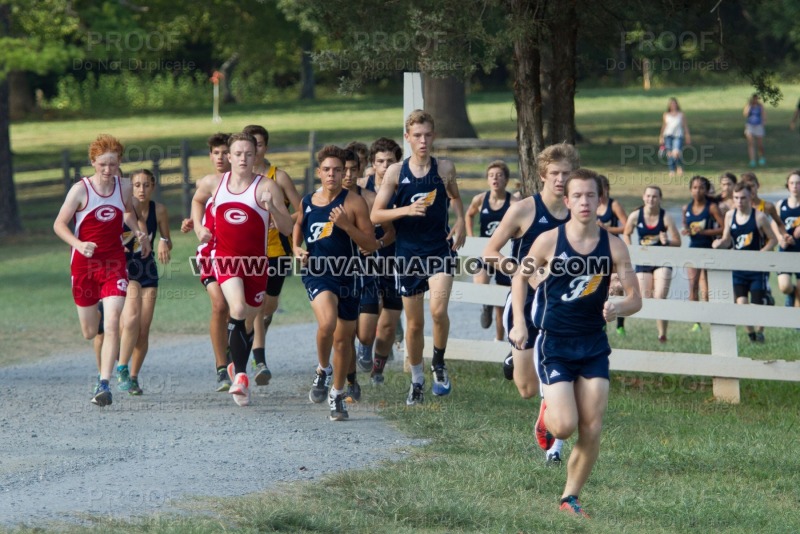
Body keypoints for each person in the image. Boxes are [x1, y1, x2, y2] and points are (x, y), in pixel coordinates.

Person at [509, 168, 642, 518]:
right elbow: (520, 279)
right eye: (578, 196)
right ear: (567, 201)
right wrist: (520, 323)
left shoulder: (614, 246)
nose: (585, 202)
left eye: (591, 195)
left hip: (594, 345)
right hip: (555, 344)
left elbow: (635, 299)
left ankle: (570, 498)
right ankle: (547, 414)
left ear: (601, 201)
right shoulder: (549, 241)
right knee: (564, 426)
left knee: (592, 426)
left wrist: (618, 306)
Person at [483, 142, 579, 465]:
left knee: (560, 375)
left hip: (560, 307)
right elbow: (490, 253)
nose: (561, 179)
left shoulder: (578, 214)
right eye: (554, 173)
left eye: (567, 173)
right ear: (542, 175)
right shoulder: (524, 209)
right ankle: (515, 359)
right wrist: (527, 273)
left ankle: (553, 446)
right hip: (524, 302)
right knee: (525, 388)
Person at [191, 132, 294, 406]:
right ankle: (240, 377)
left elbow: (288, 228)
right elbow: (198, 200)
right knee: (235, 309)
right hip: (225, 259)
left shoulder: (267, 186)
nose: (243, 159)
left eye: (249, 154)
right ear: (229, 156)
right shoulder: (215, 183)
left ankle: (239, 371)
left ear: (256, 155)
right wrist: (199, 226)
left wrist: (273, 209)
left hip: (257, 264)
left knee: (248, 321)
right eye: (237, 154)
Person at [371, 110, 466, 405]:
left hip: (439, 249)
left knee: (438, 311)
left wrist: (461, 221)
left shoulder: (445, 168)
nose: (423, 141)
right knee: (413, 324)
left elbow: (454, 197)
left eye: (427, 135)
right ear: (407, 138)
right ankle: (416, 380)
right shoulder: (397, 172)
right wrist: (405, 211)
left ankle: (438, 363)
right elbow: (376, 213)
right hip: (408, 253)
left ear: (433, 135)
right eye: (417, 136)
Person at [53, 134, 151, 407]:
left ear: (119, 163)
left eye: (113, 164)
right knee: (89, 331)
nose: (108, 170)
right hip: (83, 265)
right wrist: (78, 243)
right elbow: (59, 225)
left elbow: (129, 212)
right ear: (93, 163)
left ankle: (103, 383)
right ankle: (97, 313)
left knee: (112, 322)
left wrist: (139, 234)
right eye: (103, 165)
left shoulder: (125, 187)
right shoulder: (80, 190)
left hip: (113, 263)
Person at [293, 145, 378, 421]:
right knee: (327, 323)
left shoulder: (353, 203)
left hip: (349, 275)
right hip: (318, 272)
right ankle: (322, 369)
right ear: (319, 172)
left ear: (345, 172)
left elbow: (370, 244)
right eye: (327, 170)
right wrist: (296, 247)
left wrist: (346, 225)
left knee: (343, 341)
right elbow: (297, 225)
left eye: (337, 170)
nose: (332, 174)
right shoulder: (307, 201)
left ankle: (337, 394)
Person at [242, 124, 302, 387]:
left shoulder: (279, 177)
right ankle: (257, 357)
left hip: (277, 250)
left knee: (268, 306)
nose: (255, 150)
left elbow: (303, 210)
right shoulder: (236, 180)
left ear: (266, 147)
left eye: (260, 145)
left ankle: (248, 337)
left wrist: (281, 219)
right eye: (250, 145)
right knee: (252, 305)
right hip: (245, 253)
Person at [181, 133, 232, 392]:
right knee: (220, 305)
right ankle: (222, 367)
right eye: (216, 153)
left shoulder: (244, 184)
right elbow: (198, 204)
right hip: (210, 253)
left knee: (238, 310)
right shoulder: (207, 182)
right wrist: (196, 225)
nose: (221, 157)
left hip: (238, 254)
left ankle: (235, 352)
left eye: (225, 152)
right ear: (210, 156)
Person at [344, 148, 395, 400]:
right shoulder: (322, 200)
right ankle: (350, 381)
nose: (348, 174)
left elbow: (390, 232)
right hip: (337, 271)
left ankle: (364, 349)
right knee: (343, 329)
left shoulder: (372, 198)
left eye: (353, 169)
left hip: (368, 270)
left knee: (364, 334)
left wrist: (377, 245)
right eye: (344, 169)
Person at [117, 169, 172, 395]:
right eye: (137, 185)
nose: (141, 189)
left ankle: (133, 377)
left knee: (143, 329)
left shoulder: (159, 210)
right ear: (130, 187)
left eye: (146, 185)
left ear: (153, 186)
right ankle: (120, 365)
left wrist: (163, 241)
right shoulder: (122, 209)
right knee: (131, 317)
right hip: (126, 270)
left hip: (148, 269)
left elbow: (168, 240)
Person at [713, 182, 778, 342]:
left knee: (757, 306)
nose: (739, 201)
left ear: (750, 198)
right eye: (736, 198)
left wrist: (762, 254)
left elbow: (773, 239)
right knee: (741, 303)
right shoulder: (730, 216)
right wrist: (719, 243)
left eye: (743, 198)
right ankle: (751, 335)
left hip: (757, 270)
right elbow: (728, 239)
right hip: (738, 269)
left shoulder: (759, 217)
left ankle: (760, 331)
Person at [364, 137, 404, 385]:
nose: (385, 165)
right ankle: (361, 350)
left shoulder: (405, 189)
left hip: (396, 260)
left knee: (388, 325)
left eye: (390, 161)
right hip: (364, 260)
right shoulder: (361, 187)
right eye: (380, 161)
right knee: (367, 315)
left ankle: (377, 369)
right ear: (373, 163)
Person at [622, 186, 681, 343]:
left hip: (662, 261)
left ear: (660, 199)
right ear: (643, 197)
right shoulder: (636, 215)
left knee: (660, 296)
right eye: (648, 196)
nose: (651, 199)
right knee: (645, 296)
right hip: (644, 261)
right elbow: (626, 233)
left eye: (655, 197)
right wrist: (630, 248)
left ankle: (662, 334)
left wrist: (667, 241)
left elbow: (678, 242)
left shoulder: (666, 217)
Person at [466, 160, 516, 340]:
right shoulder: (480, 199)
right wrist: (471, 236)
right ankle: (484, 304)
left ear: (506, 180)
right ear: (488, 180)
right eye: (491, 176)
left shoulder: (513, 202)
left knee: (501, 300)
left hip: (504, 254)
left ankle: (499, 338)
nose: (495, 179)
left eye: (499, 175)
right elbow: (469, 215)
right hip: (485, 250)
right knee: (479, 278)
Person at [681, 176, 723, 332]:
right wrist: (686, 231)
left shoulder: (711, 207)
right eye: (695, 187)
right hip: (693, 249)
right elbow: (688, 227)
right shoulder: (686, 208)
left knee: (708, 289)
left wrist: (705, 232)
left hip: (709, 250)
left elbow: (724, 228)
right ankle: (696, 322)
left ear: (706, 190)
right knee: (692, 286)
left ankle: (710, 317)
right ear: (690, 189)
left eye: (701, 188)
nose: (697, 191)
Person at [596, 174, 628, 336]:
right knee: (598, 287)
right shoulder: (591, 205)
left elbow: (626, 226)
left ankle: (620, 325)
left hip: (613, 250)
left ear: (607, 189)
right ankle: (601, 323)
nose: (601, 194)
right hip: (596, 251)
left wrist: (607, 229)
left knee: (618, 287)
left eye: (603, 190)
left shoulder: (614, 205)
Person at [776, 171, 800, 307]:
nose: (795, 186)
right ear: (788, 186)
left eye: (798, 183)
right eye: (792, 183)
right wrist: (781, 238)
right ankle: (792, 292)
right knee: (784, 286)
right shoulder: (781, 204)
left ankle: (796, 324)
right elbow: (775, 224)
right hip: (785, 250)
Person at [658, 97, 691, 178]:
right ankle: (672, 170)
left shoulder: (681, 115)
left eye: (674, 104)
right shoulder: (666, 115)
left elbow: (685, 126)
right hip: (668, 135)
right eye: (671, 104)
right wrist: (661, 136)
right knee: (669, 154)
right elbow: (664, 126)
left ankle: (679, 167)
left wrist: (687, 136)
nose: (673, 105)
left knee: (676, 153)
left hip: (678, 135)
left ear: (677, 105)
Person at [744, 94, 766, 167]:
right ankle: (752, 160)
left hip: (758, 125)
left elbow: (763, 115)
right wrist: (749, 106)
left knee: (760, 144)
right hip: (750, 125)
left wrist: (763, 123)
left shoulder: (760, 106)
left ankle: (761, 157)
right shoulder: (749, 106)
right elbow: (745, 114)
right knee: (751, 143)